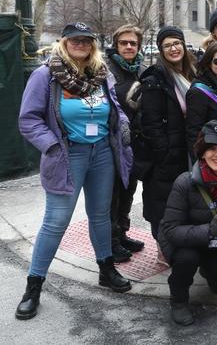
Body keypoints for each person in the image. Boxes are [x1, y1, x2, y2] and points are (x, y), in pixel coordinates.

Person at [17, 22, 133, 320]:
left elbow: (114, 106)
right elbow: (28, 119)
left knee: (100, 215)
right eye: (75, 39)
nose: (80, 44)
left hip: (102, 154)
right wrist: (52, 146)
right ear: (64, 42)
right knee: (56, 221)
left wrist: (121, 124)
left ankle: (106, 269)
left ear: (92, 44)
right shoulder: (46, 75)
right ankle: (34, 286)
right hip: (68, 155)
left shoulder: (100, 73)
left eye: (86, 40)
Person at [158, 120, 217, 326]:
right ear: (202, 151)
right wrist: (209, 230)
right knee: (186, 258)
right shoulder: (184, 181)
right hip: (183, 242)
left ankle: (210, 272)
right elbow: (171, 230)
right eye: (211, 149)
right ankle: (179, 300)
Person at [138, 26, 196, 248]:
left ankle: (181, 243)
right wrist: (164, 151)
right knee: (162, 201)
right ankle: (163, 245)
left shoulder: (192, 73)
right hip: (166, 155)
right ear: (161, 50)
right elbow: (151, 123)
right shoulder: (155, 79)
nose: (173, 49)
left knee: (184, 201)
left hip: (187, 149)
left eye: (177, 43)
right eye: (167, 45)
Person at [105, 24, 146, 263]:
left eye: (133, 43)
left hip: (134, 142)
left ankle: (122, 233)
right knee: (112, 194)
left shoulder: (141, 69)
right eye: (124, 43)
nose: (129, 46)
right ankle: (110, 242)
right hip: (111, 142)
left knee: (129, 190)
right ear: (116, 45)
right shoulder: (105, 70)